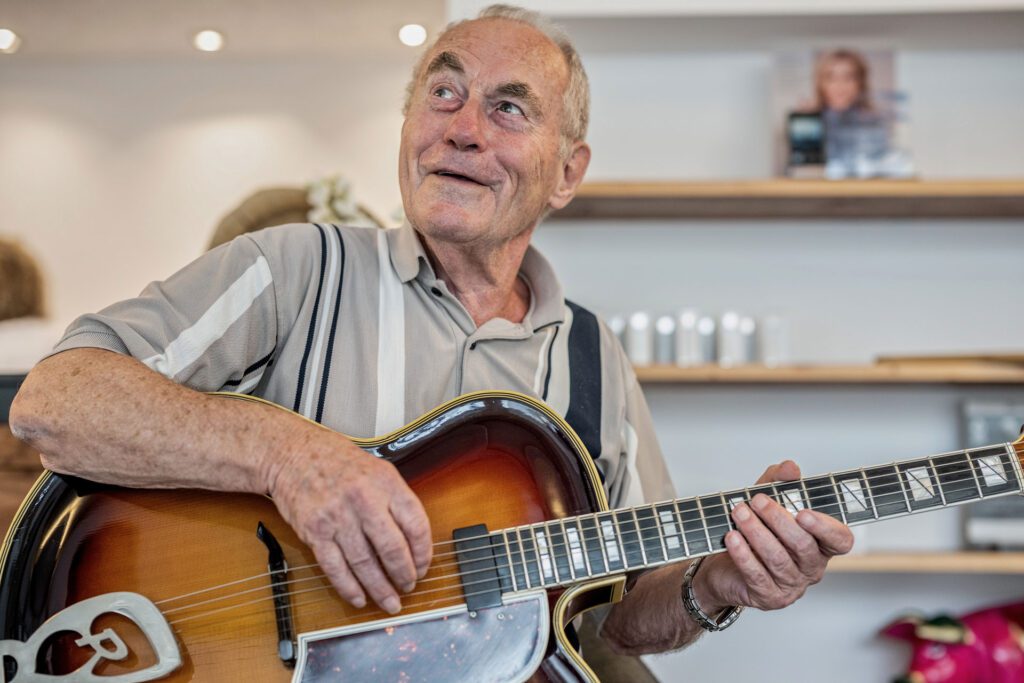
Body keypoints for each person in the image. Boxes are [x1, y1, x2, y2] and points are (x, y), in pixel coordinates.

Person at [9, 4, 853, 658]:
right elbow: (55, 400)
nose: (463, 127)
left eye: (509, 108)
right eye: (443, 94)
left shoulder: (593, 360)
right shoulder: (298, 268)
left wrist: (718, 581)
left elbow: (617, 619)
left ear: (567, 172)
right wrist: (287, 455)